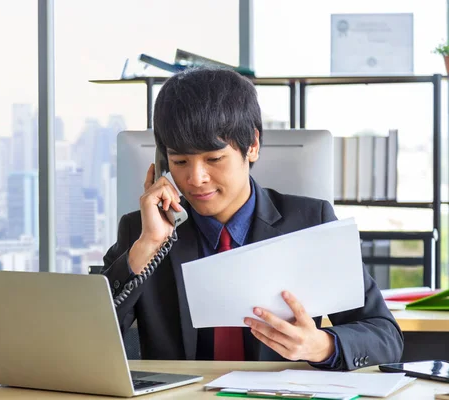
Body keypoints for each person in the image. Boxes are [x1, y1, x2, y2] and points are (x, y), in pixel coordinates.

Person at [101, 67, 403, 371]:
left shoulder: (312, 221)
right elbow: (87, 334)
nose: (196, 178)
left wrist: (322, 346)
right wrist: (147, 247)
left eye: (214, 159)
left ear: (253, 145)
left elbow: (384, 335)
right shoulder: (142, 232)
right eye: (180, 161)